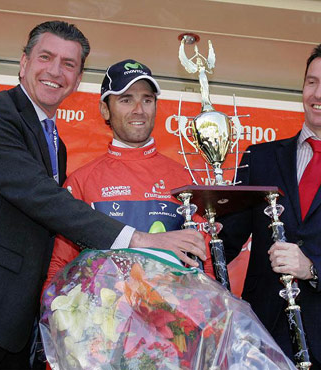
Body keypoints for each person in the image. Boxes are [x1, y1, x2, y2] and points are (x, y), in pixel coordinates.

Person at [0, 21, 205, 369]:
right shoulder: (0, 113)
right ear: (24, 62)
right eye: (46, 57)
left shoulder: (55, 143)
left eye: (69, 65)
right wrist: (138, 239)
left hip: (153, 341)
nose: (56, 71)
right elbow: (39, 197)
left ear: (77, 80)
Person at [220, 44, 321, 369]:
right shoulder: (260, 158)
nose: (319, 93)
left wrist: (313, 267)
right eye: (311, 82)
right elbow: (225, 240)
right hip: (264, 337)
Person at [44, 59, 214, 288]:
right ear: (105, 109)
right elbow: (60, 266)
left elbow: (207, 265)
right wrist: (53, 320)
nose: (139, 110)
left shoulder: (186, 179)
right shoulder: (81, 181)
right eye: (126, 100)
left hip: (170, 319)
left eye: (147, 99)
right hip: (102, 320)